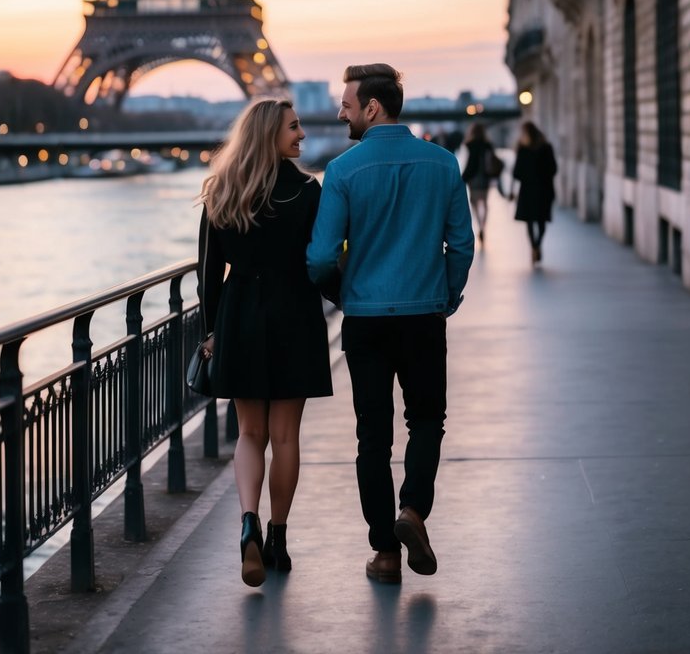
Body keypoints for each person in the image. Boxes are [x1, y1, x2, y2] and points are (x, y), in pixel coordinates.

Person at [307, 64, 474, 585]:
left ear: (372, 107)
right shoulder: (444, 164)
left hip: (366, 320)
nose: (340, 112)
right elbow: (462, 245)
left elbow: (318, 258)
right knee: (427, 421)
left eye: (347, 104)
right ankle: (413, 513)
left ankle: (384, 553)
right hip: (424, 314)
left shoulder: (341, 171)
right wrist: (443, 295)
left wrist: (342, 292)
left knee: (371, 439)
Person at [197, 97, 332, 588]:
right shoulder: (307, 192)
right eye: (294, 129)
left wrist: (212, 331)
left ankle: (248, 522)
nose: (302, 135)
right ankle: (277, 537)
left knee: (249, 434)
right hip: (294, 311)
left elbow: (208, 276)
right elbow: (320, 261)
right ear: (271, 134)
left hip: (241, 317)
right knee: (286, 436)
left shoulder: (222, 190)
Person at [510, 120, 558, 266]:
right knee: (542, 220)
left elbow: (516, 173)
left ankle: (533, 247)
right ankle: (538, 244)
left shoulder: (523, 149)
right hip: (544, 189)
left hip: (528, 190)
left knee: (530, 222)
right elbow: (554, 169)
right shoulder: (547, 147)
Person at [460, 121, 500, 245]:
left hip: (473, 178)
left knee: (475, 202)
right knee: (485, 202)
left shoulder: (469, 144)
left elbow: (469, 163)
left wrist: (463, 178)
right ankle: (483, 225)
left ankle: (479, 223)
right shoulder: (488, 144)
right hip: (485, 177)